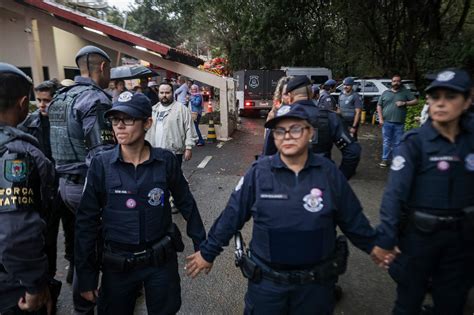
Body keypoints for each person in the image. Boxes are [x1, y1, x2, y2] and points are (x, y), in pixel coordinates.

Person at [185, 104, 391, 314]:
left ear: (310, 132)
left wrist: (374, 245)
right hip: (267, 286)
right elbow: (231, 216)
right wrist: (208, 252)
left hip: (315, 287)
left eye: (295, 129)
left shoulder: (328, 173)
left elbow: (352, 218)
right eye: (280, 131)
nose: (287, 136)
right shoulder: (259, 173)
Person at [75, 92, 206, 315]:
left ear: (147, 122)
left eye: (128, 119)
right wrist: (86, 277)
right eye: (115, 119)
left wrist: (202, 246)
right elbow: (85, 222)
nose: (120, 126)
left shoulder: (165, 161)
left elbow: (187, 203)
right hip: (117, 266)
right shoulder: (101, 165)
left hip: (160, 263)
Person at [372, 68, 474, 314]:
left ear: (468, 101)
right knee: (408, 302)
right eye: (435, 96)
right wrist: (386, 239)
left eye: (450, 97)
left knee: (452, 303)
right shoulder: (414, 142)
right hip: (420, 239)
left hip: (463, 241)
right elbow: (395, 194)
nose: (441, 103)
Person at [48, 45, 116, 315]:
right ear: (102, 67)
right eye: (109, 69)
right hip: (87, 186)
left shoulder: (60, 98)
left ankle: (82, 300)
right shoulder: (95, 100)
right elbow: (103, 155)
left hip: (63, 185)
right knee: (100, 249)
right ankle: (88, 304)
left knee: (81, 244)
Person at [0, 63, 55, 314]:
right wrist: (34, 285)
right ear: (23, 102)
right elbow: (16, 233)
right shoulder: (15, 154)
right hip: (12, 283)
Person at [18, 80, 75, 303]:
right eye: (39, 100)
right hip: (44, 193)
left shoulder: (68, 122)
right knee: (47, 238)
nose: (42, 105)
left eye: (47, 101)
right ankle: (48, 280)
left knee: (72, 230)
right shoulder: (28, 125)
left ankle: (73, 262)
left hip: (66, 186)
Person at [263, 76, 361, 180]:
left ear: (290, 95)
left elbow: (267, 155)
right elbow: (353, 152)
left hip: (287, 181)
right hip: (322, 181)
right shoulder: (330, 117)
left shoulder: (280, 119)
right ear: (312, 94)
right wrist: (340, 178)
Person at [145, 82, 196, 168]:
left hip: (174, 152)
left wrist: (189, 148)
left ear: (172, 93)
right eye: (161, 93)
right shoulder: (153, 110)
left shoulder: (182, 109)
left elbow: (189, 129)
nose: (164, 95)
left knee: (173, 179)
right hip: (155, 152)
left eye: (167, 93)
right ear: (158, 93)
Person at [376, 74, 418, 167]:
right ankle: (385, 159)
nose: (396, 83)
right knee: (386, 141)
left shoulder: (405, 92)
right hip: (386, 122)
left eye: (398, 81)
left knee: (398, 142)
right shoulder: (385, 93)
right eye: (394, 81)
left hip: (399, 123)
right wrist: (381, 118)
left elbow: (415, 101)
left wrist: (404, 103)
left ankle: (396, 160)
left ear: (400, 82)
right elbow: (379, 106)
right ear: (391, 82)